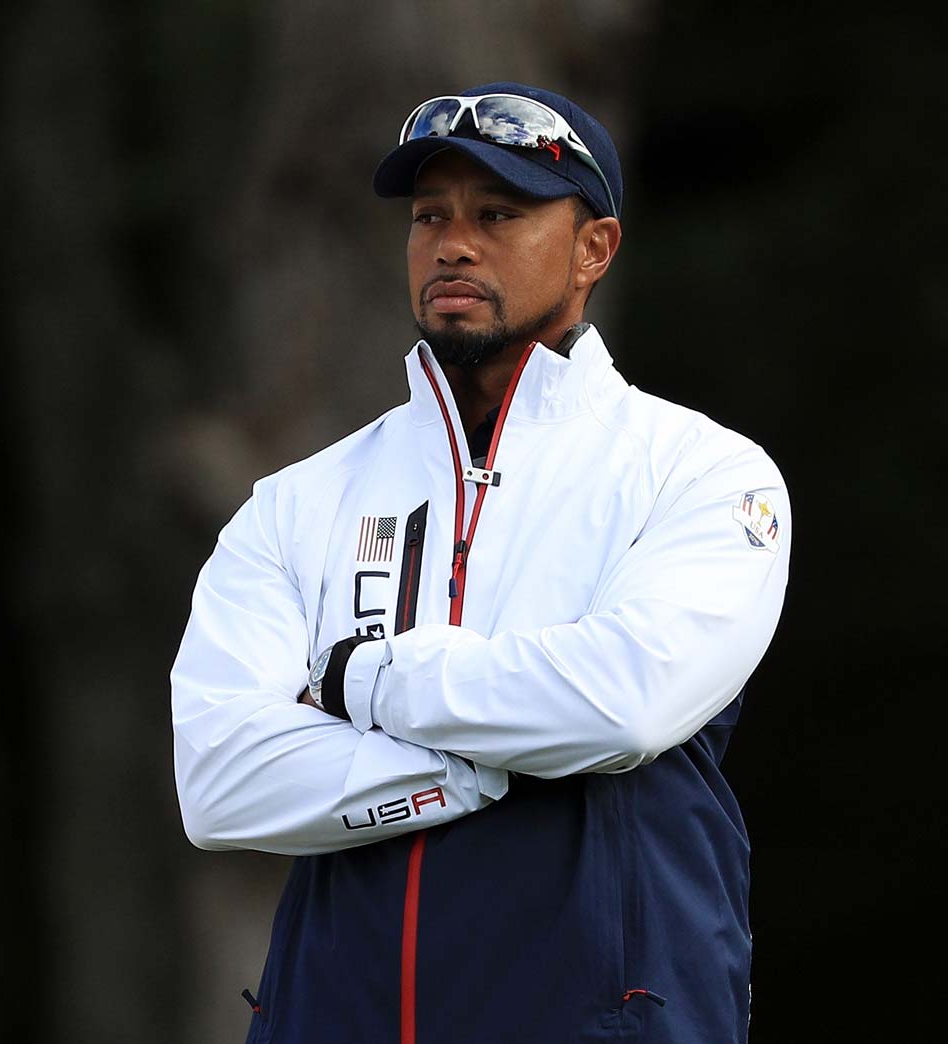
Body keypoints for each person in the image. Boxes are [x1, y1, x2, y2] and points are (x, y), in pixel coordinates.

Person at [170, 82, 787, 1043]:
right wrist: (467, 772)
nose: (453, 245)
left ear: (594, 249)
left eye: (498, 214)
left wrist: (361, 680)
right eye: (430, 217)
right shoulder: (296, 501)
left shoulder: (706, 473)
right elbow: (221, 783)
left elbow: (624, 703)